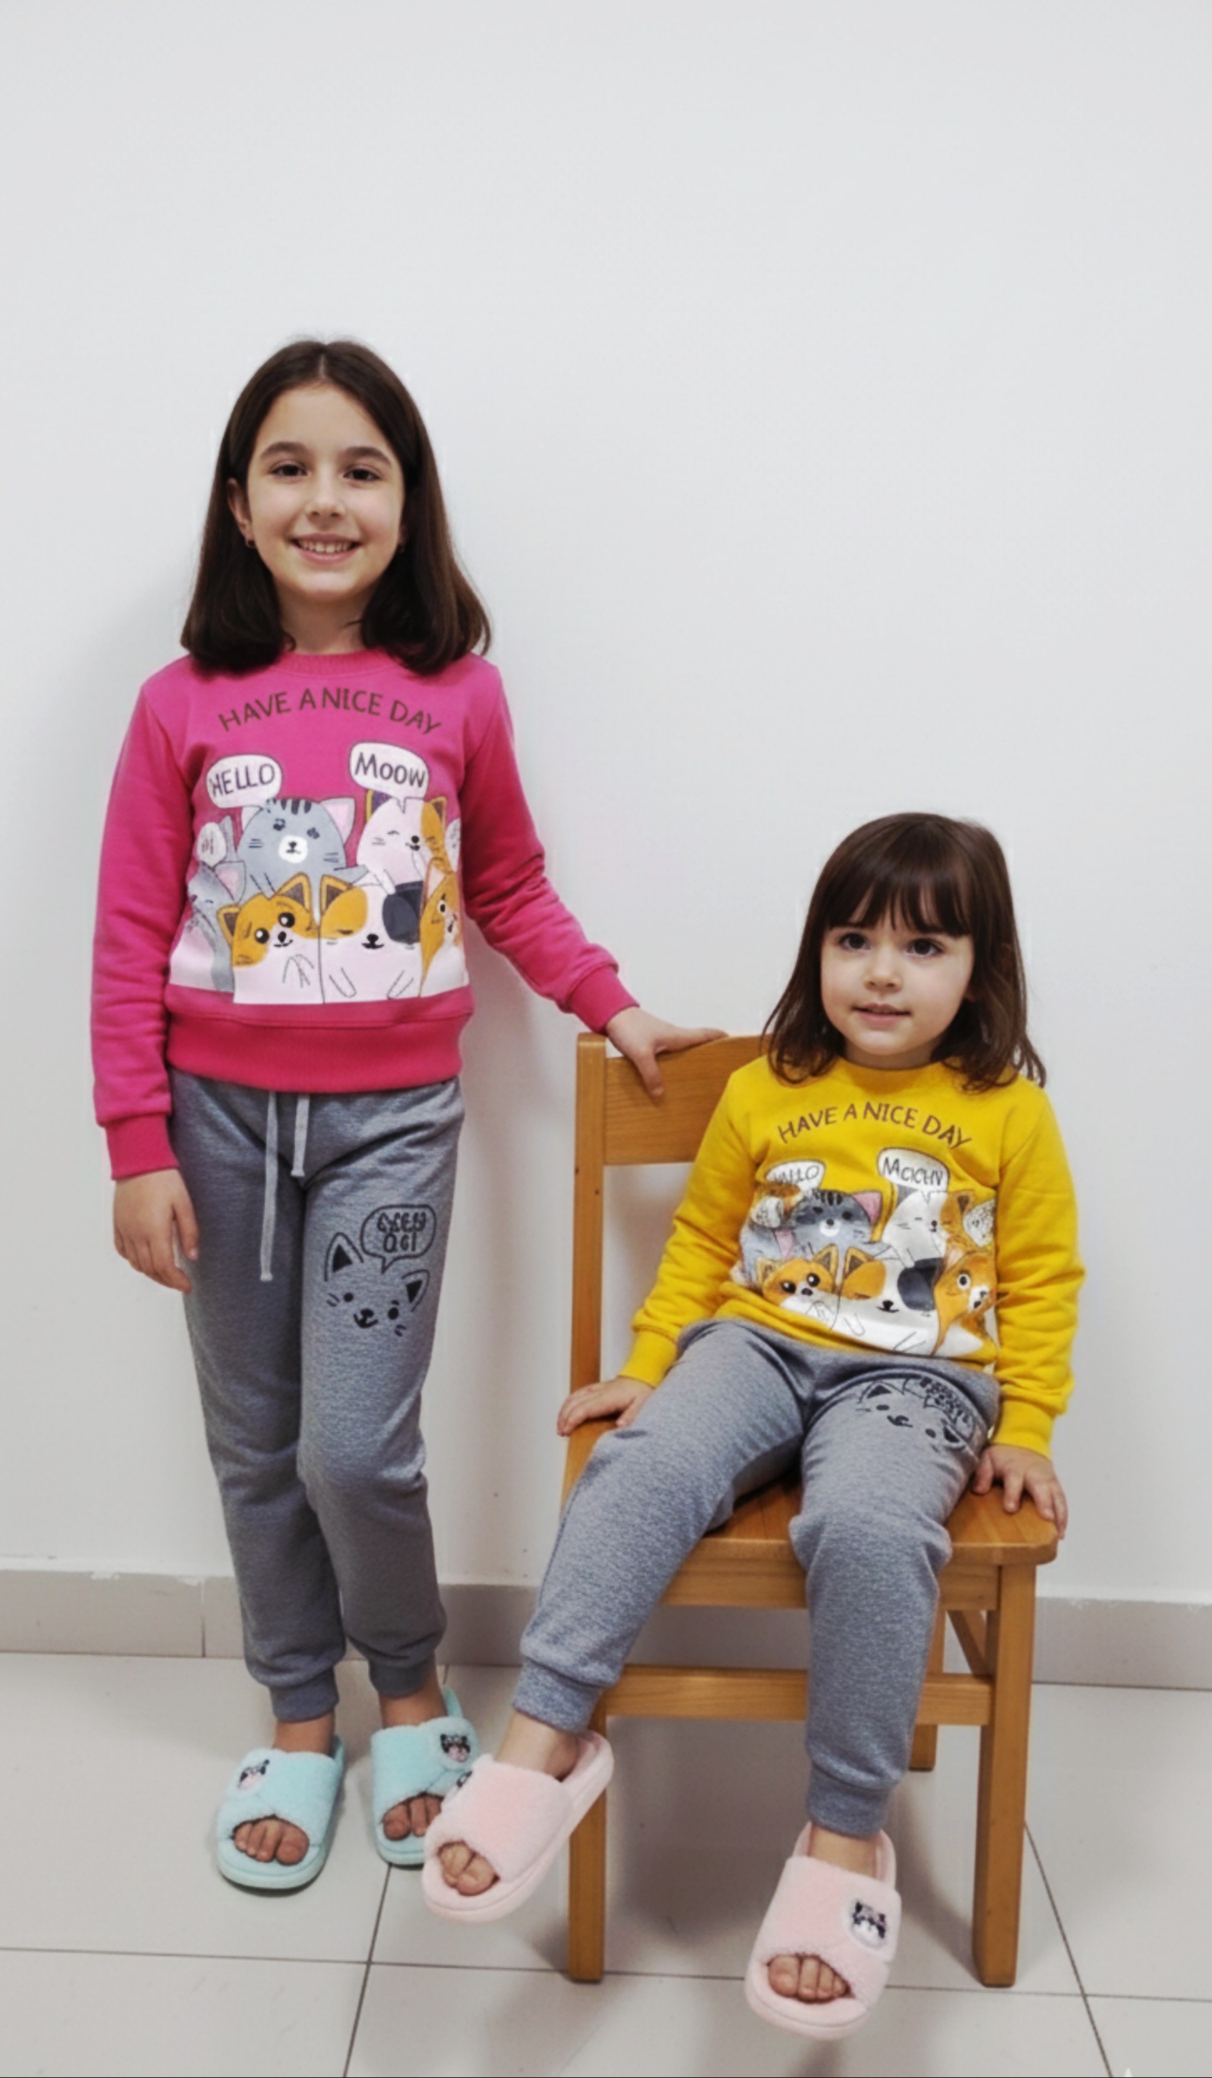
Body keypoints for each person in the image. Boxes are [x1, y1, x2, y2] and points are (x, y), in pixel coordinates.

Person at [91, 338, 718, 1891]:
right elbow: (126, 934)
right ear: (238, 504)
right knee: (256, 1442)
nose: (326, 499)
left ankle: (415, 1689)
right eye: (290, 468)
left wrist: (611, 1004)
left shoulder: (459, 694)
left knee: (355, 1447)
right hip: (218, 1127)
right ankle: (299, 1716)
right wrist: (136, 1144)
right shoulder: (178, 705)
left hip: (391, 1129)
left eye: (361, 469)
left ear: (407, 501)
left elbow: (506, 883)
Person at [424, 811, 1082, 2041]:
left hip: (918, 1380)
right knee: (640, 1465)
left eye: (923, 947)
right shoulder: (765, 1086)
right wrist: (647, 1366)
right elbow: (700, 1241)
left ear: (980, 968)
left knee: (870, 1526)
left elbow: (1043, 1282)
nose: (881, 972)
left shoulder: (1008, 1111)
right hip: (755, 1345)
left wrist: (1029, 1421)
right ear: (816, 950)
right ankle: (542, 1740)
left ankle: (845, 1834)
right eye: (853, 939)